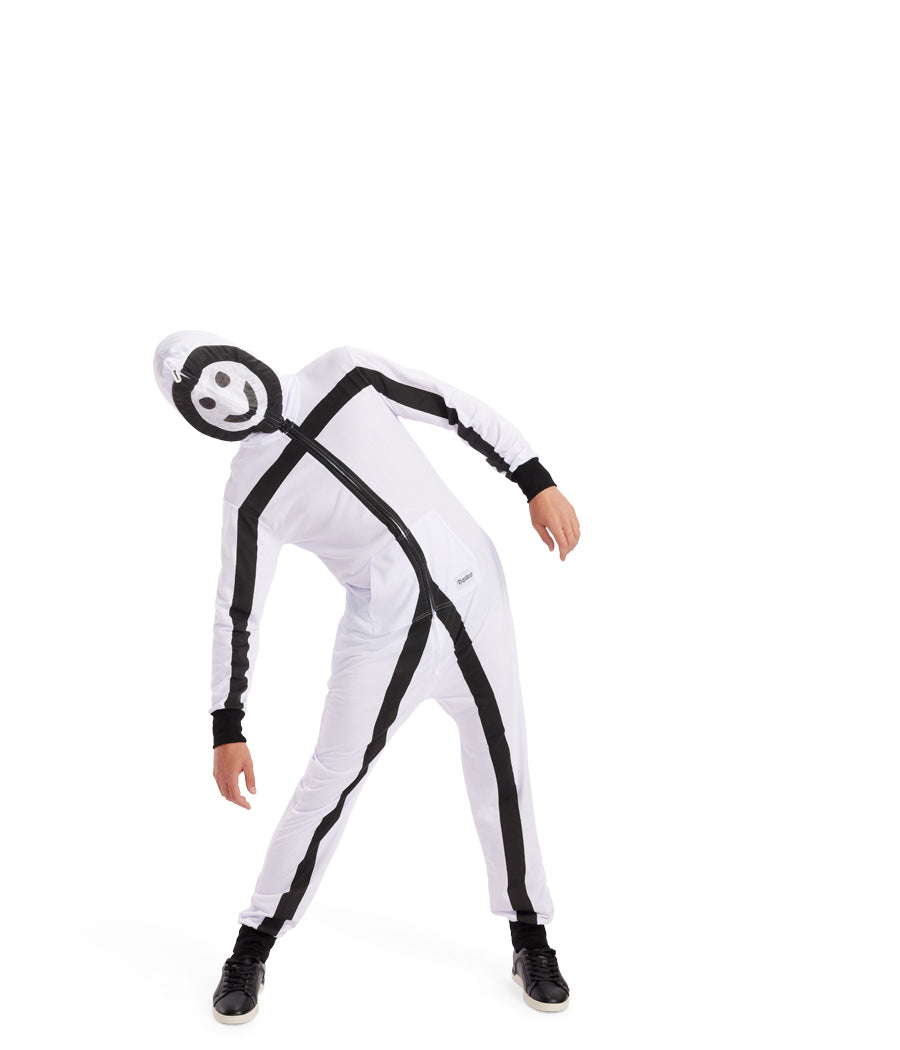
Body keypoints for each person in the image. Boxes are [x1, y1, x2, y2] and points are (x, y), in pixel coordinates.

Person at [153, 331, 581, 1021]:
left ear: (233, 354)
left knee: (505, 766)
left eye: (220, 376)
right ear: (199, 421)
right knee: (328, 783)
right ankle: (252, 944)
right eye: (205, 403)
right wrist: (227, 725)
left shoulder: (344, 373)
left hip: (477, 596)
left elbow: (453, 406)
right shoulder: (250, 493)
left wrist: (535, 478)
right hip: (385, 636)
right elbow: (238, 609)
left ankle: (530, 936)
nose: (226, 399)